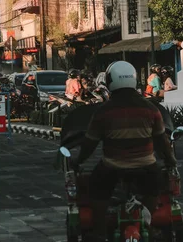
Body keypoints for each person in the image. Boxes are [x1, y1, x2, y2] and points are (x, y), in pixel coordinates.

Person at [73, 60, 176, 242]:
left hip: (112, 166)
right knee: (154, 188)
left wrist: (78, 160)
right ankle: (150, 222)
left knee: (96, 188)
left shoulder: (103, 111)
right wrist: (171, 160)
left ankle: (99, 231)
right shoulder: (151, 109)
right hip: (146, 165)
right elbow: (162, 141)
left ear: (110, 81)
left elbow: (89, 144)